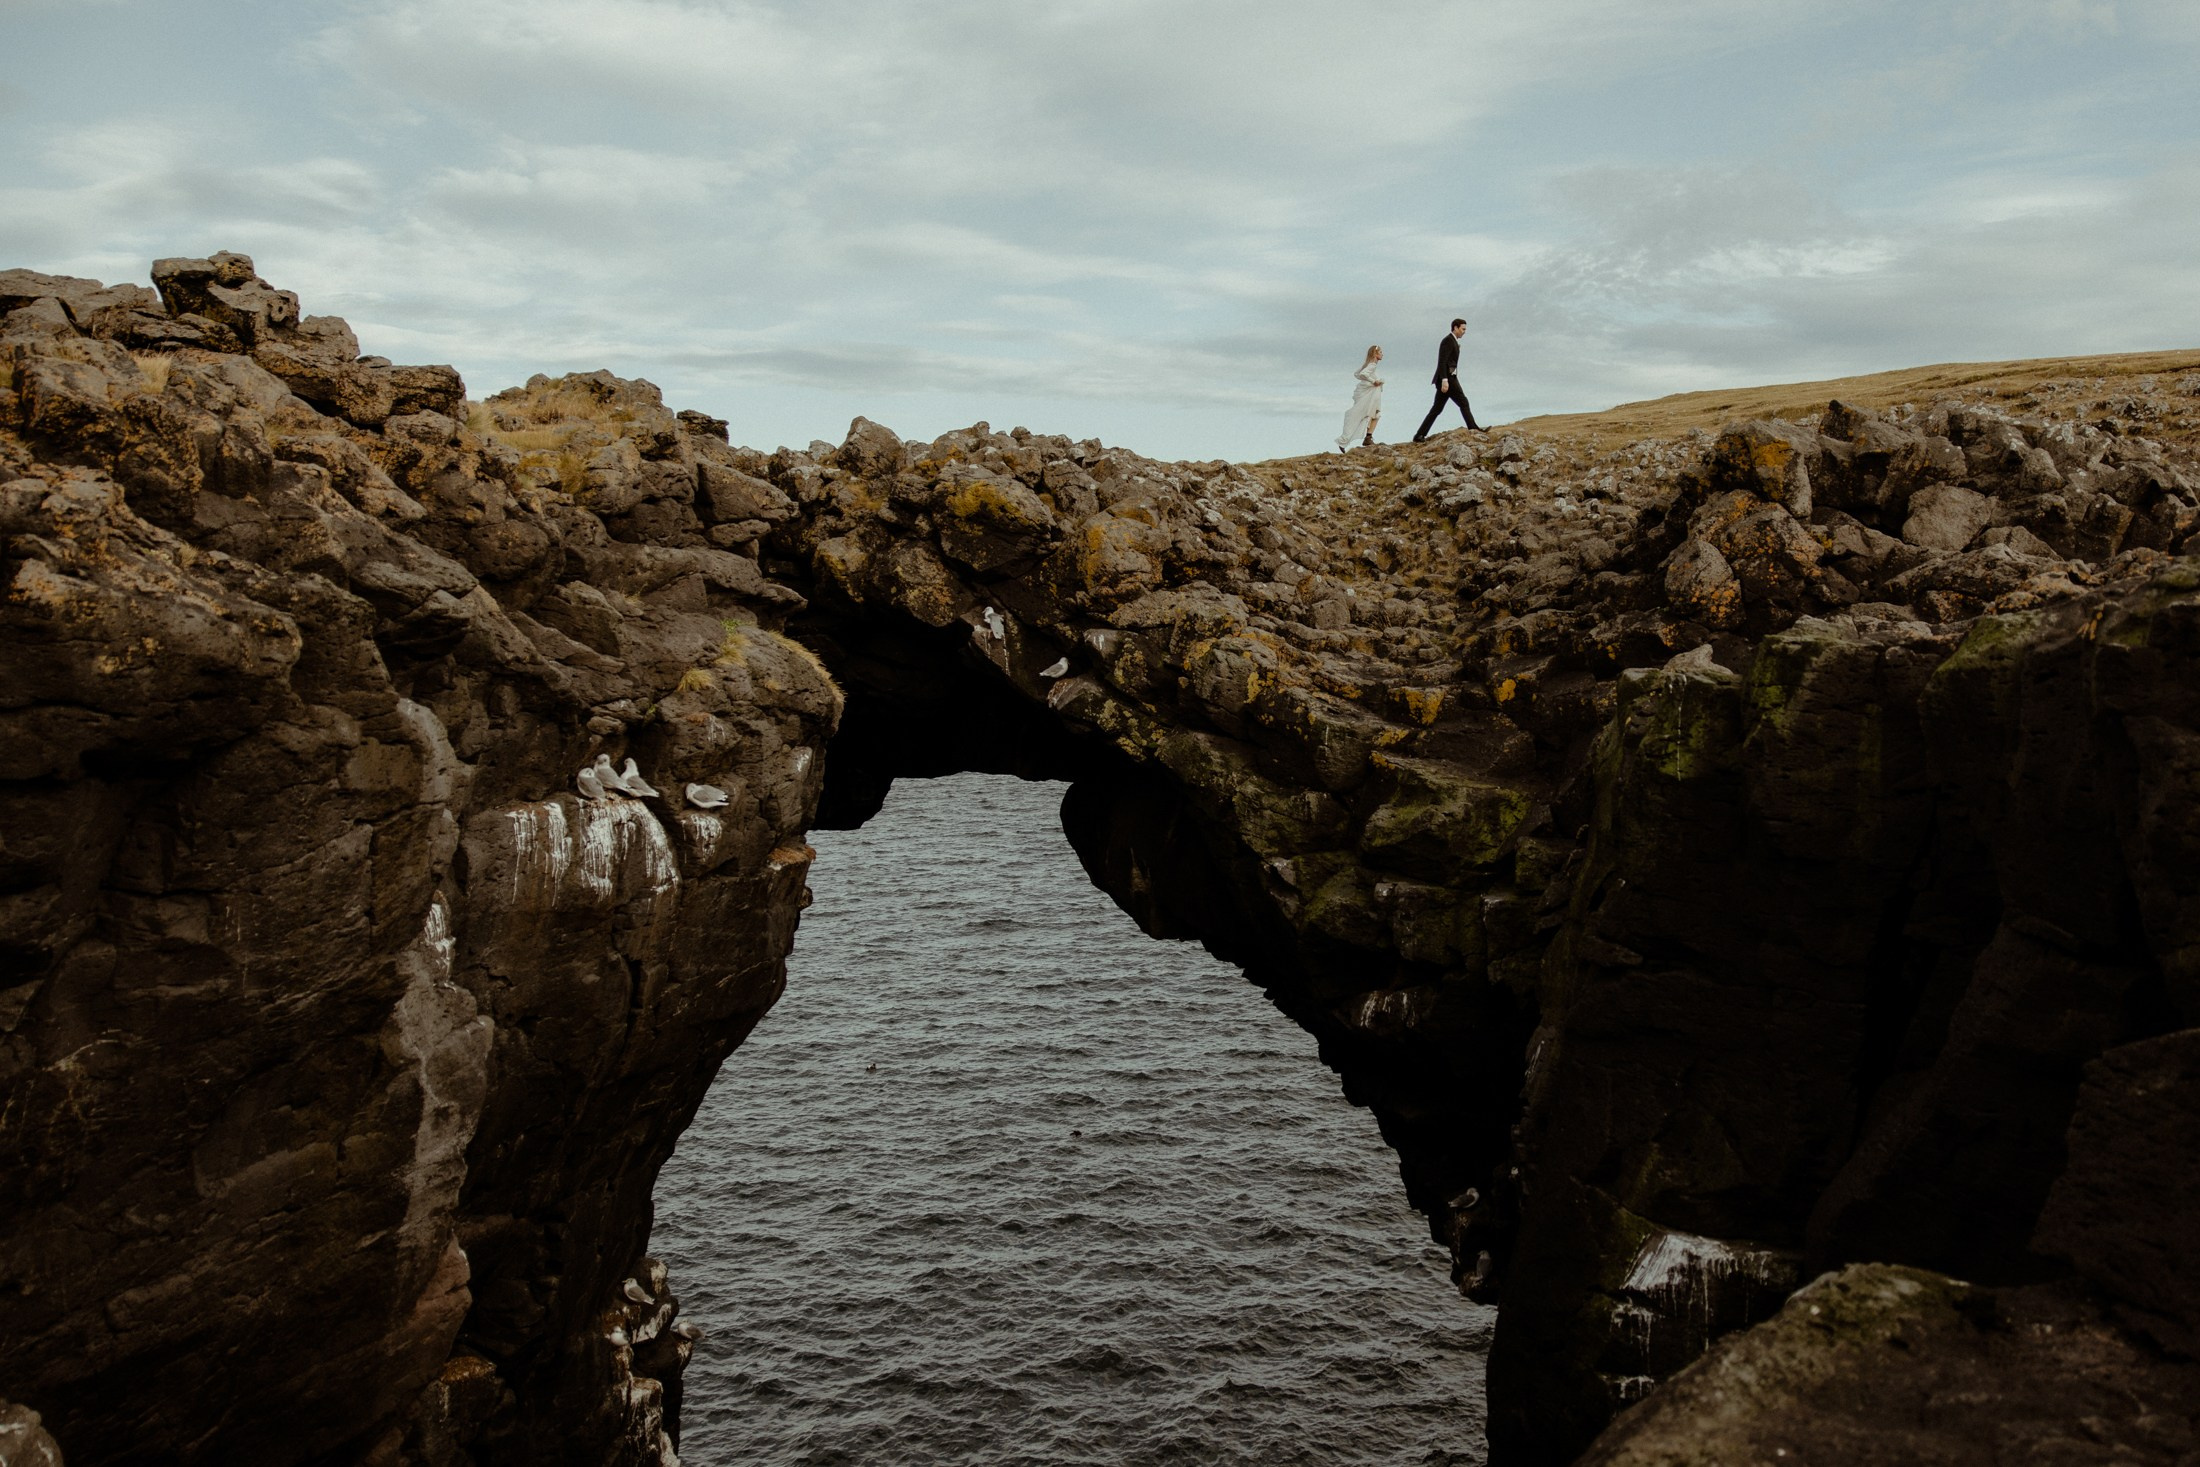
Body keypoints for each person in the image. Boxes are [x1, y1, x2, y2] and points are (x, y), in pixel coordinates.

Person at [1412, 318, 1483, 441]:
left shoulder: (1453, 341)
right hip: (1447, 379)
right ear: (1455, 328)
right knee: (1463, 402)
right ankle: (1473, 428)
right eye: (1463, 329)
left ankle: (1419, 435)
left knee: (1437, 408)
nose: (1464, 332)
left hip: (1448, 378)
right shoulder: (1448, 341)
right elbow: (1442, 361)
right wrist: (1444, 380)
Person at [1335, 345, 1384, 452]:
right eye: (1380, 352)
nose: (1382, 354)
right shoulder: (1372, 365)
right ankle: (1366, 437)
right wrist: (1373, 381)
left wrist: (1370, 381)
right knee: (1373, 414)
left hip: (1369, 392)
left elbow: (1357, 374)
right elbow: (1362, 374)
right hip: (1369, 393)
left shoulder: (1368, 364)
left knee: (1374, 414)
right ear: (1375, 354)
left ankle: (1368, 437)